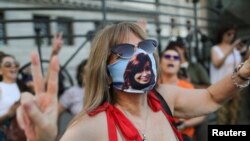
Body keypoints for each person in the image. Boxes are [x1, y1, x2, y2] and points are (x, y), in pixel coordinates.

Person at [16, 22, 250, 141]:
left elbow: (210, 97)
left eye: (145, 47)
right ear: (106, 71)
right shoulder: (92, 125)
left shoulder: (166, 97)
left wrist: (243, 72)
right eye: (125, 51)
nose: (141, 57)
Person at [159, 43, 205, 141]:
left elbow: (201, 115)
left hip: (183, 137)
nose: (171, 59)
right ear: (160, 62)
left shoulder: (187, 87)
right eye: (167, 56)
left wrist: (185, 124)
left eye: (175, 58)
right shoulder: (153, 87)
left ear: (180, 64)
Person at [210, 23, 242, 125]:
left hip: (236, 87)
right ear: (222, 34)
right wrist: (231, 47)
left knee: (234, 117)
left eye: (233, 34)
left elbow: (240, 66)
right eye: (229, 33)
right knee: (222, 118)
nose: (232, 36)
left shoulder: (236, 50)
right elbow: (217, 64)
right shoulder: (215, 49)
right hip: (221, 87)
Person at [0, 54, 29, 141]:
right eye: (8, 65)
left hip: (23, 133)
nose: (13, 66)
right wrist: (8, 114)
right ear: (0, 71)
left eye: (16, 64)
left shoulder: (22, 86)